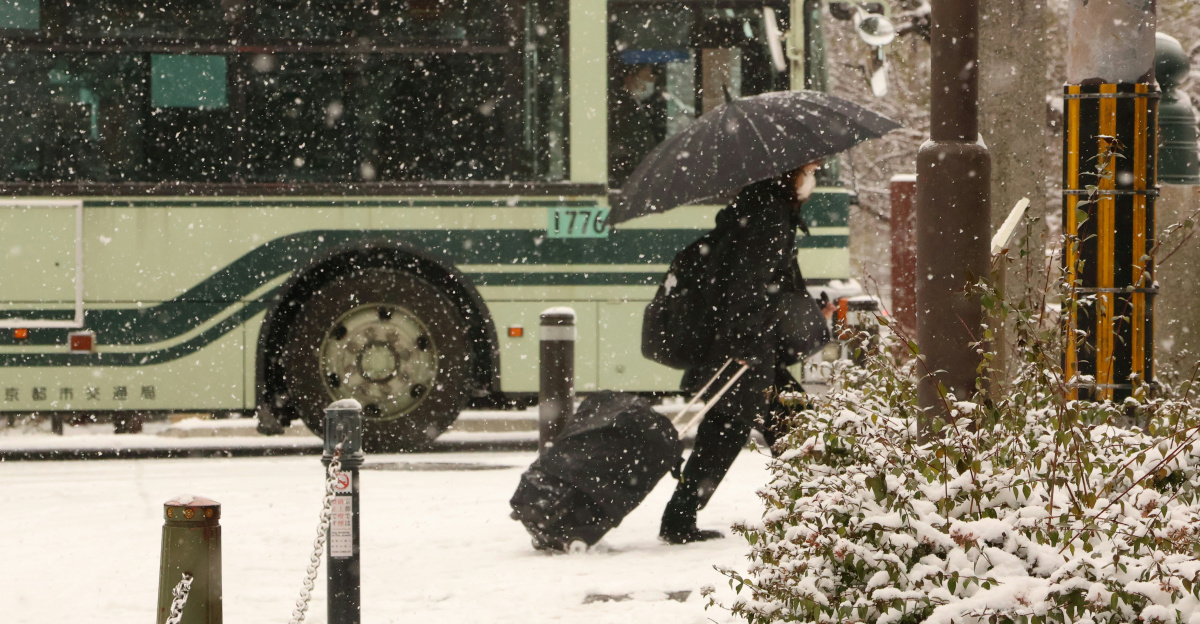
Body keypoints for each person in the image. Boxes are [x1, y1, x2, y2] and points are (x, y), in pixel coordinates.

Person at [660, 161, 833, 544]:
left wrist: (803, 318)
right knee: (764, 427)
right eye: (811, 169)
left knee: (769, 425)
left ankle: (818, 508)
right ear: (791, 174)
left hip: (746, 345)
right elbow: (747, 288)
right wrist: (746, 342)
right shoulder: (769, 218)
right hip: (745, 348)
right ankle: (822, 510)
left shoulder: (761, 210)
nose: (815, 176)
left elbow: (764, 286)